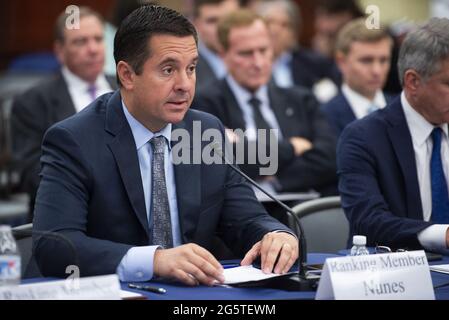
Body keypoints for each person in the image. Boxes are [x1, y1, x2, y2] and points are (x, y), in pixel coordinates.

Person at [33, 5, 298, 285]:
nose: (185, 84)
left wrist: (275, 235)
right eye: (168, 69)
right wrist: (154, 260)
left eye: (192, 68)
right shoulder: (75, 140)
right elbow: (55, 247)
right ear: (126, 75)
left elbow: (245, 219)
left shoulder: (204, 132)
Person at [194, 9, 337, 195]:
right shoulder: (205, 103)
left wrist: (276, 180)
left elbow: (330, 157)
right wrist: (292, 147)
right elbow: (219, 161)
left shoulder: (301, 99)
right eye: (246, 53)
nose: (258, 62)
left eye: (263, 50)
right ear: (223, 55)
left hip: (303, 207)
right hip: (239, 214)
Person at [338, 18, 449, 252]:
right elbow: (370, 222)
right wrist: (444, 235)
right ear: (413, 82)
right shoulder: (363, 137)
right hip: (393, 275)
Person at [10, 7, 116, 219]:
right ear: (59, 51)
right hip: (67, 215)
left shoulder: (127, 90)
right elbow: (31, 176)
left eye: (98, 39)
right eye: (80, 42)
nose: (93, 49)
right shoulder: (32, 102)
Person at [322, 18, 394, 138]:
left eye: (383, 60)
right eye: (366, 61)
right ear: (342, 62)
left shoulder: (403, 110)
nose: (377, 70)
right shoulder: (324, 117)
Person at [256, 0, 336, 90]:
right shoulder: (248, 63)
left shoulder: (316, 65)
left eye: (284, 25)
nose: (275, 31)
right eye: (269, 22)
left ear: (294, 33)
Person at [193, 0, 239, 90]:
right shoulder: (187, 71)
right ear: (196, 25)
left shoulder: (258, 61)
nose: (221, 28)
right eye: (212, 21)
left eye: (228, 20)